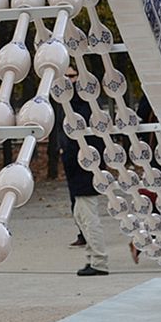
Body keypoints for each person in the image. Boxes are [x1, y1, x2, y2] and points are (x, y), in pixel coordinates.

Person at [60, 66, 109, 276]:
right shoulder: (69, 105)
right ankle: (93, 258)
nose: (67, 81)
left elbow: (87, 141)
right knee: (81, 216)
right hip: (78, 168)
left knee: (89, 217)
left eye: (72, 76)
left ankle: (99, 261)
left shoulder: (85, 107)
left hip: (85, 168)